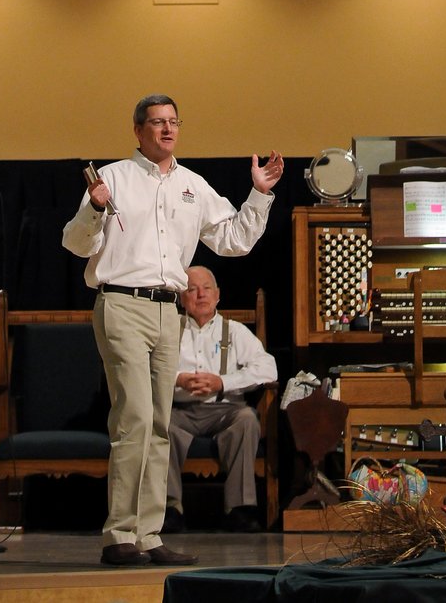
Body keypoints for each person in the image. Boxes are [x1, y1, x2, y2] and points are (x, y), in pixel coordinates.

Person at [62, 94, 283, 568]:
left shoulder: (192, 185)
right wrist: (95, 209)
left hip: (169, 313)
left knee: (160, 423)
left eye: (173, 122)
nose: (167, 130)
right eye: (157, 123)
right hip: (122, 302)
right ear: (138, 130)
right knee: (136, 418)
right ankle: (119, 534)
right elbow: (77, 243)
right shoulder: (114, 179)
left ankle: (148, 535)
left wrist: (260, 193)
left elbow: (234, 240)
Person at [164, 264, 277, 534]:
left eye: (206, 289)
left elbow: (267, 368)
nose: (200, 295)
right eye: (192, 289)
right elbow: (146, 369)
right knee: (159, 425)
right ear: (182, 297)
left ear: (217, 295)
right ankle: (169, 510)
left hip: (225, 410)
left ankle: (240, 509)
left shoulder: (235, 331)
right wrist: (177, 379)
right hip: (179, 410)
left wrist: (222, 382)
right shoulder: (168, 330)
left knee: (247, 419)